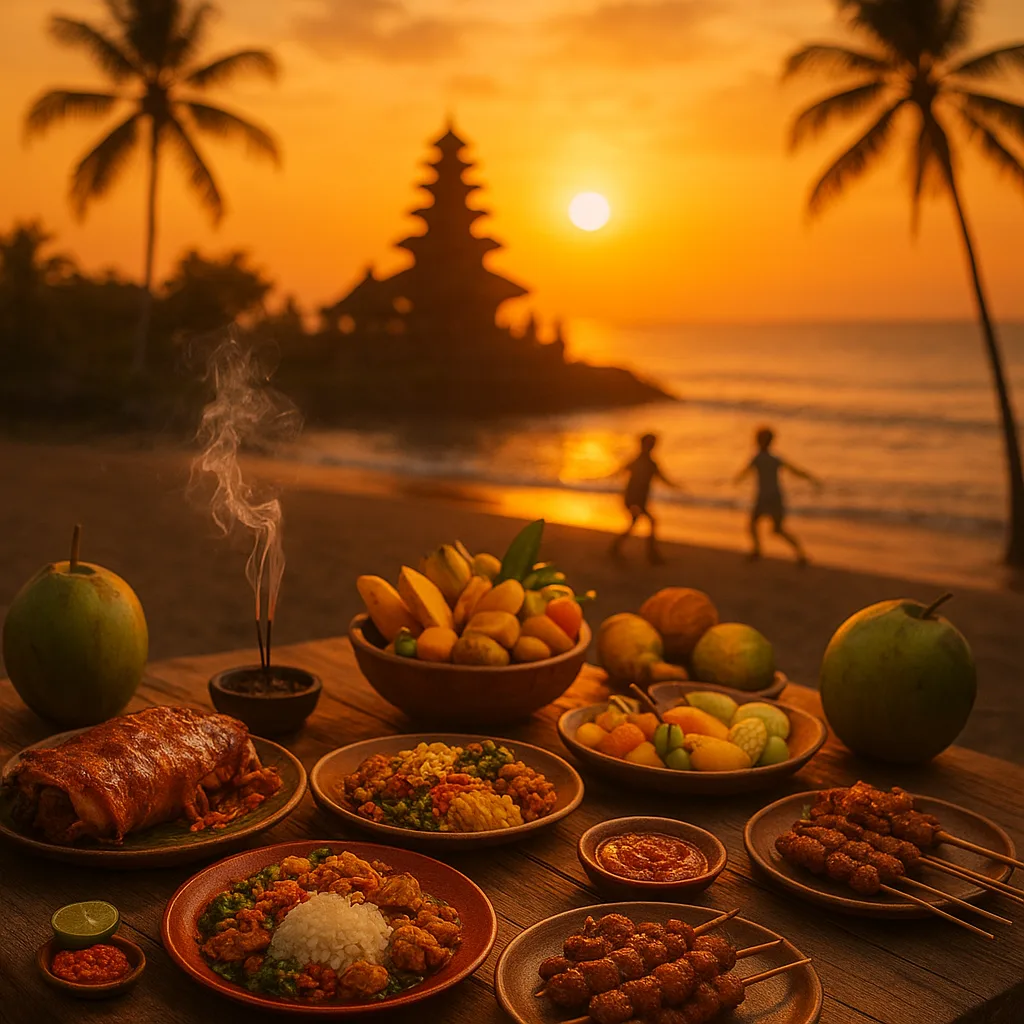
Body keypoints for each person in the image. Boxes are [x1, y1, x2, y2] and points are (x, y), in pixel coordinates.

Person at [734, 426, 821, 564]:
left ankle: (762, 550)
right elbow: (794, 470)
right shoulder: (772, 458)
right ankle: (797, 554)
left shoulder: (762, 458)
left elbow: (745, 472)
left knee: (762, 527)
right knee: (772, 528)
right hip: (773, 497)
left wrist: (737, 479)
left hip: (767, 498)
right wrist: (810, 478)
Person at [610, 433, 677, 564]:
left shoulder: (647, 462)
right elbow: (621, 472)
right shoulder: (641, 462)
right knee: (650, 522)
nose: (652, 446)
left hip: (638, 500)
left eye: (653, 444)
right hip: (634, 500)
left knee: (636, 523)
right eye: (650, 444)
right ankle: (651, 554)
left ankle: (616, 548)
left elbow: (661, 478)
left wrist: (675, 486)